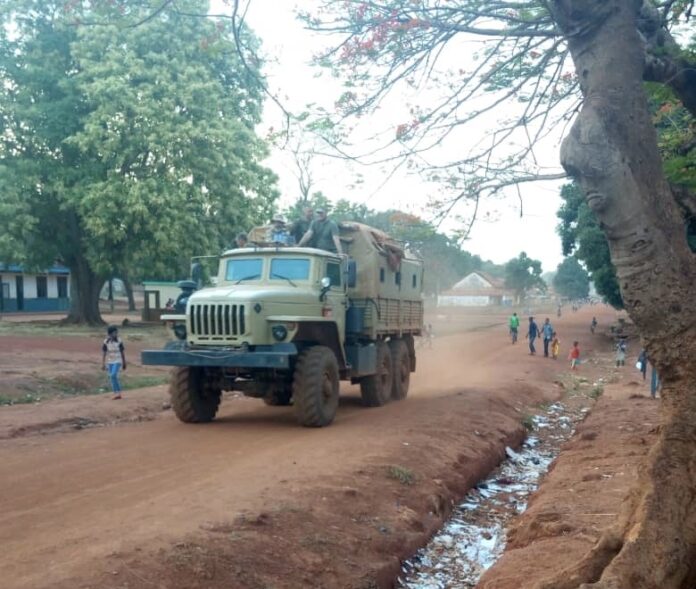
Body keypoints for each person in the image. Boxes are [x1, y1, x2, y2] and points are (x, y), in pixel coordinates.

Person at [102, 325, 126, 399]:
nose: (115, 334)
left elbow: (122, 352)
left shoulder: (119, 341)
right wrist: (103, 363)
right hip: (110, 361)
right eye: (114, 333)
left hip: (117, 360)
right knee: (112, 377)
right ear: (110, 334)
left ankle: (117, 392)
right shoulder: (106, 342)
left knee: (113, 375)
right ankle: (117, 393)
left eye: (116, 332)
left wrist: (124, 362)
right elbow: (104, 353)